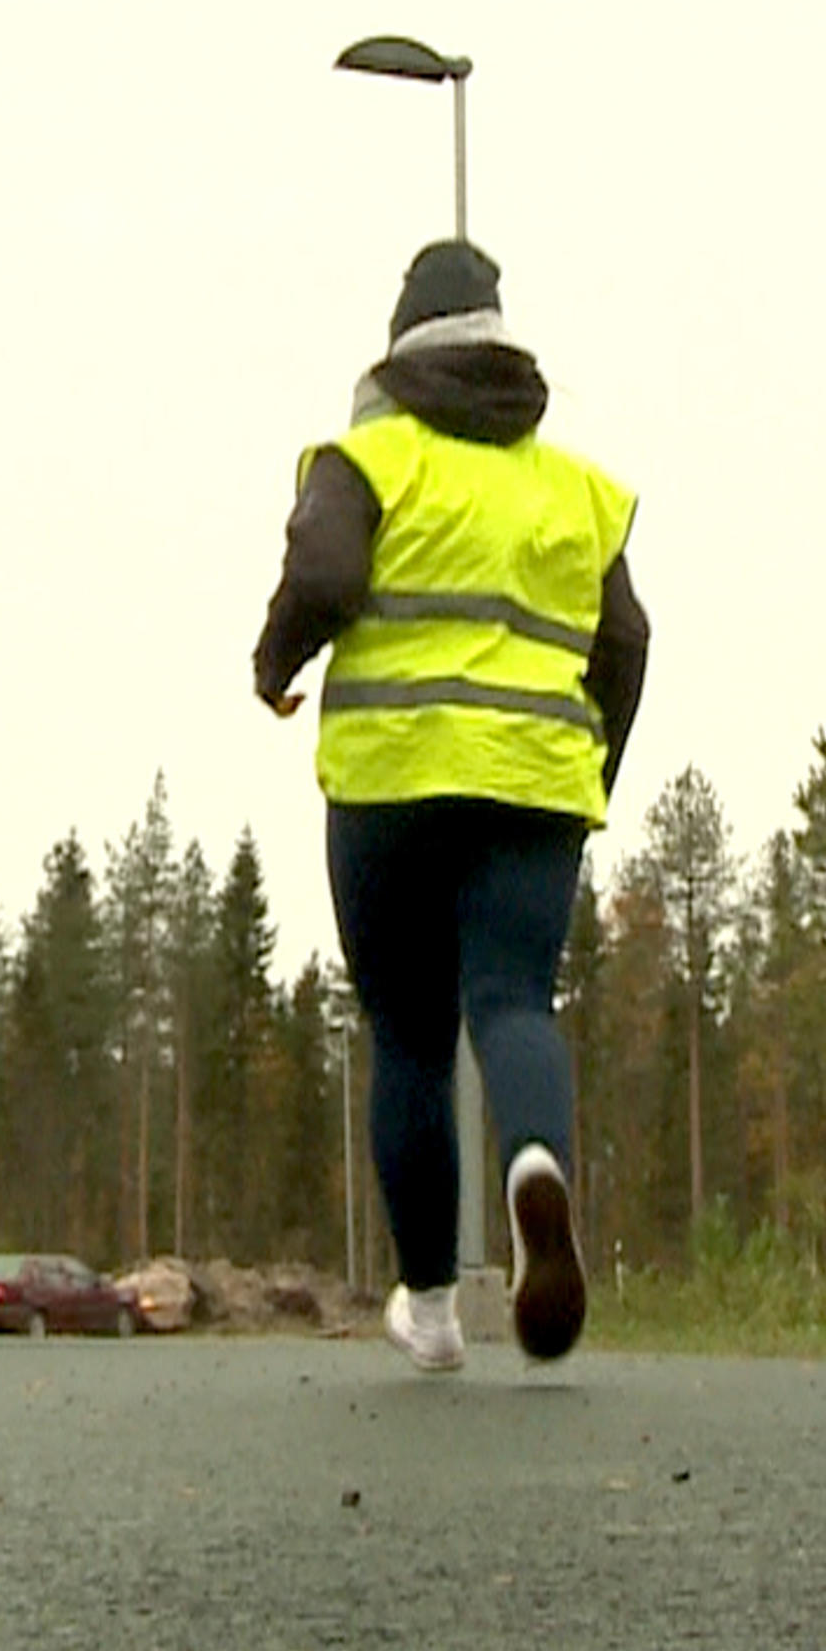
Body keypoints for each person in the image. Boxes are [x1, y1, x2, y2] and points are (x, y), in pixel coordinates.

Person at [254, 237, 646, 1372]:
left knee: (413, 1039)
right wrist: (584, 771)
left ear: (398, 351)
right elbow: (627, 640)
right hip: (534, 788)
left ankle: (428, 1308)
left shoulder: (365, 457)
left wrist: (275, 664)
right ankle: (535, 1167)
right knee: (515, 1003)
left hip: (388, 783)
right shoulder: (576, 488)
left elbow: (324, 577)